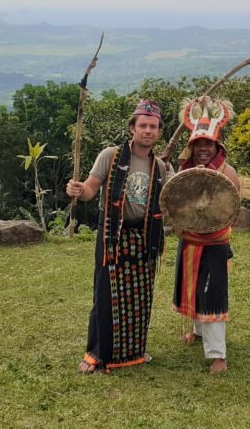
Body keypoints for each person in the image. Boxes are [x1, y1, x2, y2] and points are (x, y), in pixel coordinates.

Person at [66, 100, 171, 373]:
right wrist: (79, 190)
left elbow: (172, 200)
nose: (148, 131)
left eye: (153, 126)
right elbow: (91, 188)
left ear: (159, 131)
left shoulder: (160, 167)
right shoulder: (110, 156)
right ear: (132, 128)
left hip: (145, 235)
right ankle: (97, 354)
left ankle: (133, 352)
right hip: (113, 233)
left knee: (139, 296)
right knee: (105, 293)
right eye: (143, 125)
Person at [171, 96, 241, 374]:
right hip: (189, 241)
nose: (202, 149)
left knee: (212, 295)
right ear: (191, 146)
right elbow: (176, 205)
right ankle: (198, 332)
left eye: (208, 144)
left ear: (217, 146)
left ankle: (218, 355)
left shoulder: (228, 172)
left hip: (214, 243)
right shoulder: (183, 171)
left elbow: (231, 210)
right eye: (198, 144)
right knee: (193, 289)